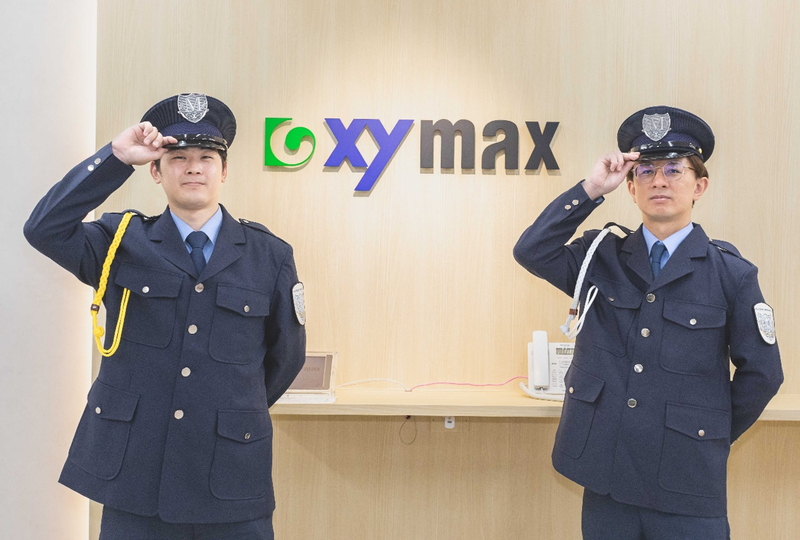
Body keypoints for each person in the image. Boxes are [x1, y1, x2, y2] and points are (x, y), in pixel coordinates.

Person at [24, 93, 306, 540]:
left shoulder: (269, 255)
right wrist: (117, 157)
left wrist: (225, 408)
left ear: (224, 171)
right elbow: (44, 228)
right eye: (178, 157)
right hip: (137, 477)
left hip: (231, 478)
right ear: (155, 171)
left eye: (206, 157)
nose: (193, 167)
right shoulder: (120, 242)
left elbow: (285, 358)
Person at [513, 106, 783, 539]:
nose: (659, 181)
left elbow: (764, 374)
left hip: (686, 483)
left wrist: (705, 433)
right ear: (631, 188)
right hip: (606, 476)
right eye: (646, 171)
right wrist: (591, 188)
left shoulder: (731, 274)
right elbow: (531, 251)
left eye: (674, 170)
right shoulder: (600, 257)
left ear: (699, 186)